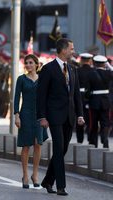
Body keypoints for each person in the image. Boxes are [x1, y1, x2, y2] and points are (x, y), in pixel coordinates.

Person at [37, 38, 84, 195]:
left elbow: (76, 95)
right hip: (54, 116)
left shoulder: (72, 69)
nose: (73, 51)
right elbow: (41, 95)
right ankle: (60, 186)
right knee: (58, 148)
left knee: (62, 150)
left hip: (69, 116)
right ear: (63, 50)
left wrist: (80, 115)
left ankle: (48, 181)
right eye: (71, 48)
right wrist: (42, 117)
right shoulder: (48, 69)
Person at [14, 54, 48, 189]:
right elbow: (16, 98)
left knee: (38, 144)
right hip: (26, 114)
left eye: (30, 63)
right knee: (26, 145)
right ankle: (25, 175)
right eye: (26, 63)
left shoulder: (43, 79)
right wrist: (17, 115)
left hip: (39, 115)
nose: (28, 65)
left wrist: (47, 116)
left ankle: (35, 175)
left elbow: (47, 97)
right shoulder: (21, 79)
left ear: (36, 64)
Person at [86, 55, 113, 148]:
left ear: (94, 63)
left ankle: (93, 143)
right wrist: (109, 66)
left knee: (93, 123)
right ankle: (104, 139)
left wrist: (87, 100)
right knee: (105, 122)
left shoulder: (90, 74)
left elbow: (87, 90)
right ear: (104, 64)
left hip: (94, 101)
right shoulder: (109, 73)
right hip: (105, 101)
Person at [76, 53, 94, 143]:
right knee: (90, 120)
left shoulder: (77, 70)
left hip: (79, 96)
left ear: (82, 60)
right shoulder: (93, 71)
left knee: (79, 118)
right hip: (90, 97)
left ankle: (80, 140)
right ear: (90, 60)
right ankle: (91, 140)